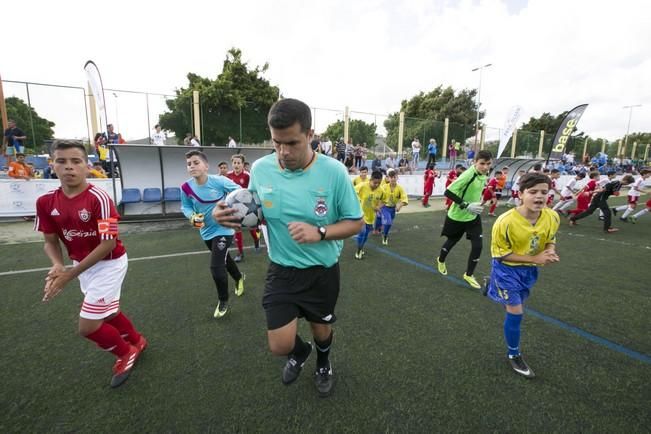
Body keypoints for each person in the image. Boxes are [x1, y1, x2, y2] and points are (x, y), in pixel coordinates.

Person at [212, 98, 363, 397]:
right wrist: (229, 215)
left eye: (292, 142)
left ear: (310, 135)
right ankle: (301, 351)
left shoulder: (333, 172)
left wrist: (319, 232)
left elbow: (355, 223)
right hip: (282, 267)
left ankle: (323, 361)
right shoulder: (262, 169)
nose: (283, 151)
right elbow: (257, 211)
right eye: (277, 142)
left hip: (322, 270)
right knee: (279, 344)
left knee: (321, 328)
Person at [35, 140, 146, 388]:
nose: (69, 167)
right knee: (108, 312)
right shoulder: (45, 202)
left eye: (76, 161)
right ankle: (137, 341)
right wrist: (57, 265)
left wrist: (69, 275)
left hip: (110, 263)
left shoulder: (100, 199)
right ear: (52, 165)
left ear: (87, 166)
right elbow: (50, 241)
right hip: (83, 265)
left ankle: (126, 352)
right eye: (61, 161)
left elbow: (108, 244)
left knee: (87, 326)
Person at [485, 173, 560, 378]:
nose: (539, 197)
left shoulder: (552, 216)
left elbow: (550, 238)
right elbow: (500, 255)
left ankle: (491, 287)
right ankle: (513, 354)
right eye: (533, 192)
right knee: (516, 312)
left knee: (516, 301)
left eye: (544, 192)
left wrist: (550, 249)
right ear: (520, 194)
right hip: (506, 269)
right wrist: (535, 259)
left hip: (529, 271)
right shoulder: (505, 221)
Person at [181, 150, 245, 318]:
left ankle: (223, 301)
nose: (192, 166)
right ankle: (239, 278)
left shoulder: (220, 181)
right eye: (189, 164)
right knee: (225, 259)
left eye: (196, 162)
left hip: (224, 228)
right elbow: (185, 207)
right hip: (206, 231)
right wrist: (193, 217)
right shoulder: (186, 187)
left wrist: (229, 208)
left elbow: (240, 192)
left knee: (216, 265)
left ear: (206, 166)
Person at [436, 150, 492, 289]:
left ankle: (468, 274)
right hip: (457, 216)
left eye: (488, 163)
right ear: (474, 163)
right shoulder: (468, 175)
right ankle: (441, 260)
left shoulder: (484, 174)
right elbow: (448, 192)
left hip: (473, 217)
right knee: (452, 241)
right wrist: (466, 205)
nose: (485, 167)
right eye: (482, 164)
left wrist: (478, 203)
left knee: (478, 246)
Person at [569, 175, 635, 233]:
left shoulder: (617, 183)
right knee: (607, 212)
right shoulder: (617, 183)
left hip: (598, 197)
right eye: (628, 183)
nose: (627, 184)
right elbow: (603, 190)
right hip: (600, 198)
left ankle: (573, 219)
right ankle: (607, 228)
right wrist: (590, 192)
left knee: (589, 212)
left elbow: (606, 189)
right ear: (626, 181)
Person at [226, 154, 261, 262]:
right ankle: (240, 253)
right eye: (234, 163)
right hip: (234, 207)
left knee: (252, 229)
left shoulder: (247, 176)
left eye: (238, 163)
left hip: (247, 207)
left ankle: (256, 240)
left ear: (242, 164)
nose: (236, 165)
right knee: (237, 229)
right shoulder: (228, 176)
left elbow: (252, 190)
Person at [355, 170, 386, 258]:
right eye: (375, 183)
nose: (377, 185)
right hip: (360, 215)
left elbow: (384, 200)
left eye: (379, 183)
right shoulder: (362, 186)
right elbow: (351, 192)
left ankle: (361, 248)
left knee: (365, 236)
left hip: (371, 217)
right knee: (362, 232)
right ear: (370, 179)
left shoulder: (381, 190)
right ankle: (358, 251)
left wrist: (378, 207)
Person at [379, 170, 408, 245]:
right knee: (388, 222)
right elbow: (378, 195)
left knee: (389, 223)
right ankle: (385, 236)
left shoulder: (400, 188)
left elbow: (404, 198)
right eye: (391, 177)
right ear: (388, 178)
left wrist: (399, 205)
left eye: (394, 177)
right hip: (384, 207)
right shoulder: (384, 187)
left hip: (393, 209)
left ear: (397, 177)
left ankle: (384, 231)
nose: (393, 179)